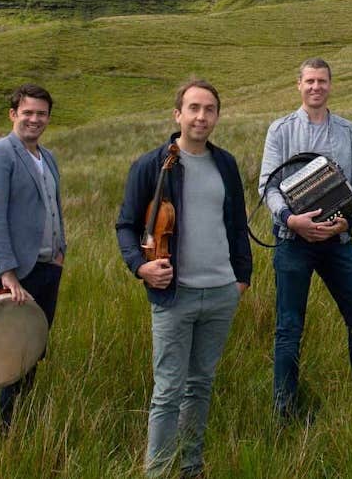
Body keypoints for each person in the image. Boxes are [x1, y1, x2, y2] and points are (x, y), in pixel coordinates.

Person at [115, 79, 252, 479]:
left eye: (209, 109)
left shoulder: (225, 163)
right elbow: (125, 224)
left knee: (201, 385)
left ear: (217, 117)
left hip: (221, 292)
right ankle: (156, 472)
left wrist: (241, 277)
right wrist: (139, 267)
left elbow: (237, 224)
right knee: (168, 392)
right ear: (177, 114)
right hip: (174, 297)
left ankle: (192, 467)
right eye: (193, 108)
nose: (201, 116)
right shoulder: (152, 165)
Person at [259, 57, 352, 419]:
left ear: (330, 85)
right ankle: (285, 411)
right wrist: (291, 220)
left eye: (322, 81)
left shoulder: (348, 131)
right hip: (293, 243)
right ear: (299, 84)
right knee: (289, 328)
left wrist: (347, 223)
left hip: (338, 244)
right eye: (309, 81)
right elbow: (268, 185)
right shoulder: (279, 130)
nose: (315, 87)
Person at [0, 83, 66, 440]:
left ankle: (13, 429)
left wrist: (60, 252)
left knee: (28, 353)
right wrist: (6, 273)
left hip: (45, 271)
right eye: (27, 113)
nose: (34, 120)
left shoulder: (48, 157)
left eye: (41, 114)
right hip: (12, 275)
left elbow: (53, 208)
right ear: (13, 114)